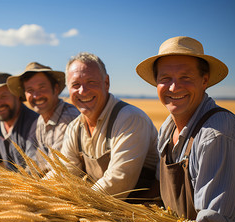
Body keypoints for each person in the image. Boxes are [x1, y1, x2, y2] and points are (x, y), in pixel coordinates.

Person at [89, 36, 235, 222]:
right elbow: (165, 194)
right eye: (165, 78)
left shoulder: (217, 135)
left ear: (205, 81)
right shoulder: (169, 129)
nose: (173, 86)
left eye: (185, 77)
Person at [55, 52, 159, 198]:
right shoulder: (74, 128)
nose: (83, 91)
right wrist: (37, 194)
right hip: (105, 209)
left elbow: (118, 181)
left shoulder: (129, 118)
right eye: (76, 85)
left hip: (145, 212)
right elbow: (64, 173)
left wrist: (78, 204)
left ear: (106, 83)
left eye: (91, 82)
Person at [7, 62, 80, 171]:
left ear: (55, 89)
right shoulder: (40, 121)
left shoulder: (68, 118)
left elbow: (57, 169)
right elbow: (37, 162)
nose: (36, 96)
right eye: (30, 90)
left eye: (42, 88)